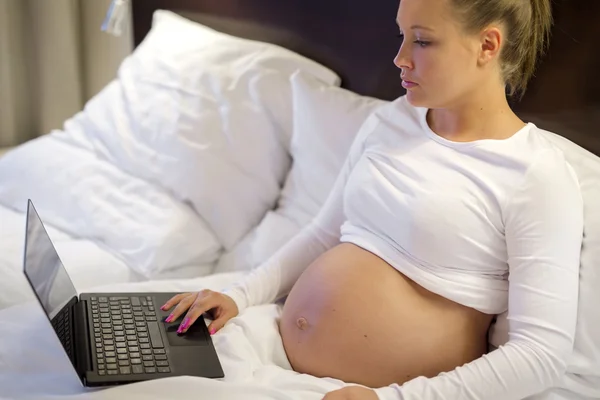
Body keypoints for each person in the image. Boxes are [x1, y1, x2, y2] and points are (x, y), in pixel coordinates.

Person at [161, 0, 584, 398]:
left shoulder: (534, 174)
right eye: (401, 36)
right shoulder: (393, 119)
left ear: (487, 45)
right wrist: (240, 294)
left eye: (421, 40)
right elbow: (324, 234)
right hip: (270, 349)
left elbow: (541, 354)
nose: (400, 58)